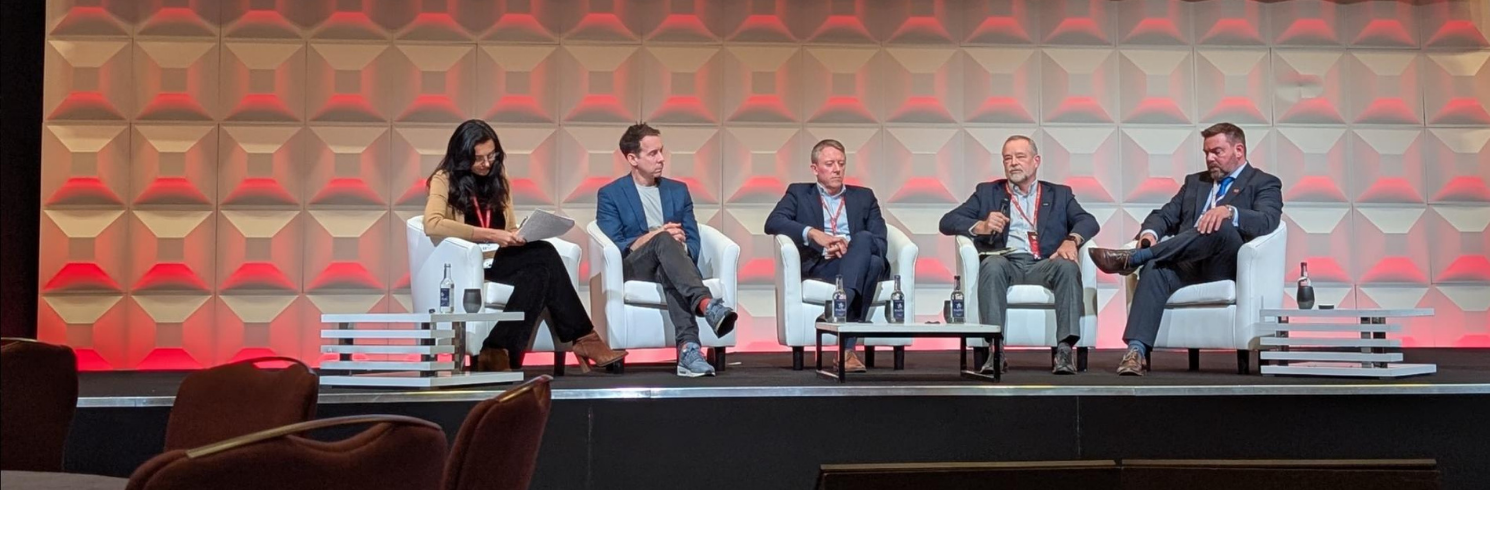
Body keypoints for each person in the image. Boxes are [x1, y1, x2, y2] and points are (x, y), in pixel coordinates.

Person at [423, 119, 626, 372]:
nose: (487, 164)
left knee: (539, 271)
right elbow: (432, 224)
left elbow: (508, 225)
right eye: (479, 159)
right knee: (545, 256)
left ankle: (495, 349)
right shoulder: (444, 179)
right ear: (463, 157)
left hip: (499, 257)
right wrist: (490, 234)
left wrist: (516, 234)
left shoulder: (499, 178)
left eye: (491, 156)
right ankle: (584, 338)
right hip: (469, 263)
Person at [1088, 122, 1284, 376]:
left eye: (1217, 152)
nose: (1210, 158)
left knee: (1220, 226)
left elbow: (1268, 220)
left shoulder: (1264, 182)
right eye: (1206, 153)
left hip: (1226, 264)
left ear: (1239, 150)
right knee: (1156, 267)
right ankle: (1136, 352)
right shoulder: (1196, 183)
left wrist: (1229, 212)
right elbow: (1164, 215)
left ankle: (1134, 258)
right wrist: (1149, 234)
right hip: (1188, 262)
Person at [938, 135, 1099, 375]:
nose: (1013, 162)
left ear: (1036, 161)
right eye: (1007, 158)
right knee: (991, 265)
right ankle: (996, 350)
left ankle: (1064, 350)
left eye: (1020, 157)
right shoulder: (987, 192)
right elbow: (947, 221)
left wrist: (1071, 240)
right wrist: (979, 225)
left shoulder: (1059, 194)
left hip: (1045, 263)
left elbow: (1088, 221)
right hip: (1006, 261)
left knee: (1068, 266)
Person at [595, 123, 738, 378]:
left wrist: (678, 247)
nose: (661, 159)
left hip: (672, 265)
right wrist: (658, 236)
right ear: (632, 158)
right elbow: (617, 245)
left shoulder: (678, 190)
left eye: (661, 151)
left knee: (668, 267)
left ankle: (689, 351)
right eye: (652, 153)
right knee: (662, 241)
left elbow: (694, 242)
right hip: (635, 266)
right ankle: (707, 304)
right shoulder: (610, 194)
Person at [764, 139, 888, 373]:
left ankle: (839, 307)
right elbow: (773, 222)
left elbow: (879, 240)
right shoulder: (799, 193)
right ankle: (847, 351)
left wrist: (851, 247)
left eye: (841, 163)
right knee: (870, 263)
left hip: (858, 260)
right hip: (824, 264)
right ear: (815, 169)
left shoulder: (864, 197)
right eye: (830, 164)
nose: (837, 169)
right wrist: (814, 234)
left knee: (866, 248)